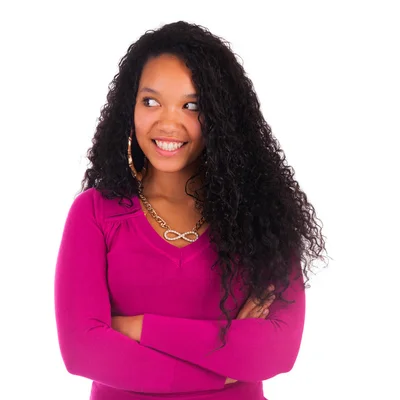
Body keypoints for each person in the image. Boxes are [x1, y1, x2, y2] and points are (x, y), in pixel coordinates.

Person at [54, 21, 327, 400]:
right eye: (150, 101)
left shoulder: (261, 213)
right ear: (127, 108)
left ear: (219, 116)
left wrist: (136, 329)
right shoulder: (95, 214)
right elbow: (84, 352)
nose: (168, 122)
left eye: (191, 105)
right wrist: (225, 364)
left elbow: (278, 349)